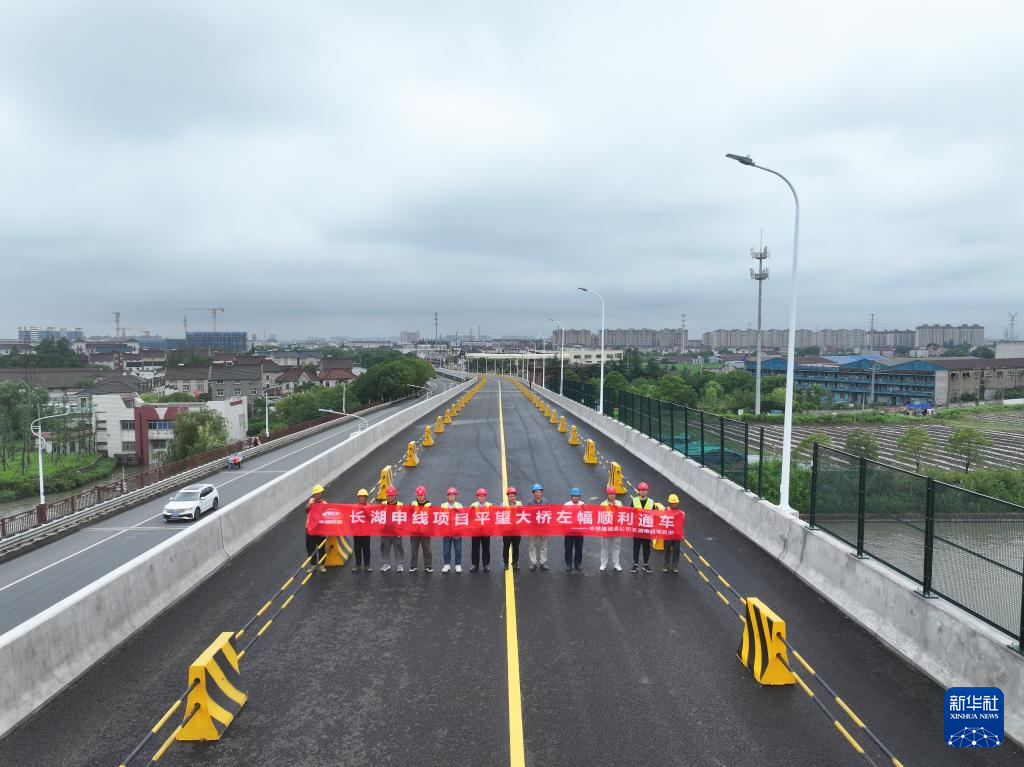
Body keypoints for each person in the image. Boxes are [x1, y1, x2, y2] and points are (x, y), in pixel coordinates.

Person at [379, 486, 405, 573]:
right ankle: (386, 563)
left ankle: (400, 564)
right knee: (384, 547)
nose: (390, 497)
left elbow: (404, 518)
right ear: (387, 496)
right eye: (389, 495)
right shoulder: (383, 504)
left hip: (396, 531)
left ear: (395, 495)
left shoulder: (400, 505)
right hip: (385, 531)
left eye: (392, 495)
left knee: (398, 547)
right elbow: (378, 515)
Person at [408, 485, 433, 573]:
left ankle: (428, 566)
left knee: (427, 550)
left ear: (424, 495)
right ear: (416, 495)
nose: (420, 497)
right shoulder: (412, 504)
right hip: (414, 531)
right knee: (414, 550)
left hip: (425, 531)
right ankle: (413, 566)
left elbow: (432, 517)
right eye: (418, 495)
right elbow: (408, 515)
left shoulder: (429, 504)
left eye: (421, 495)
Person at [631, 481, 655, 573]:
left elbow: (655, 515)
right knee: (636, 548)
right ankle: (635, 564)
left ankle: (645, 564)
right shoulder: (634, 501)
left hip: (647, 530)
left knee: (647, 548)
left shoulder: (651, 502)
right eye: (641, 490)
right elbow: (630, 513)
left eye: (645, 490)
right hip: (637, 529)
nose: (643, 491)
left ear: (647, 491)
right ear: (639, 491)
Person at [599, 486, 623, 572]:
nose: (612, 495)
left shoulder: (620, 503)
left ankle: (616, 563)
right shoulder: (603, 504)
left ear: (615, 494)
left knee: (616, 546)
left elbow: (624, 515)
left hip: (616, 529)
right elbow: (599, 516)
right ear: (607, 494)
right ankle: (603, 563)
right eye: (610, 494)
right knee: (604, 546)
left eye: (613, 494)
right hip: (606, 529)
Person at [441, 487, 463, 574]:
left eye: (453, 495)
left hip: (457, 531)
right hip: (446, 531)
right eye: (450, 495)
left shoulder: (459, 505)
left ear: (455, 496)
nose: (452, 497)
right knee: (446, 549)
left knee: (458, 549)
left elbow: (462, 517)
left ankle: (458, 564)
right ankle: (446, 564)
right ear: (447, 496)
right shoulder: (443, 505)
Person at [305, 484, 327, 574]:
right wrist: (310, 504)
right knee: (310, 547)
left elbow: (327, 516)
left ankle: (322, 565)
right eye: (316, 493)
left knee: (321, 547)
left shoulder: (324, 504)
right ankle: (313, 565)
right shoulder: (311, 501)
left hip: (320, 529)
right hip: (309, 528)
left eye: (319, 493)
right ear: (314, 494)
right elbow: (306, 510)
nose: (318, 495)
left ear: (321, 493)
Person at [470, 488, 492, 572]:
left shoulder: (490, 505)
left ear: (485, 497)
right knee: (475, 547)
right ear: (478, 497)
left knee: (486, 547)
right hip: (475, 529)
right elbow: (470, 516)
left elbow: (493, 516)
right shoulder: (473, 505)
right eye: (480, 496)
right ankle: (475, 564)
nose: (482, 498)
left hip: (486, 529)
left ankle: (486, 564)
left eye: (483, 496)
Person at [527, 483, 548, 571]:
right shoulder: (530, 503)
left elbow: (549, 514)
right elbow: (527, 515)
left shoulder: (546, 502)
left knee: (544, 546)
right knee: (532, 546)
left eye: (538, 491)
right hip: (533, 528)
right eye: (535, 492)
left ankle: (543, 562)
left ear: (541, 492)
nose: (537, 493)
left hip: (543, 528)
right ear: (533, 493)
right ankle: (533, 563)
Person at [661, 494, 685, 574]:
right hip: (667, 535)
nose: (674, 505)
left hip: (677, 535)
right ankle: (666, 565)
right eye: (673, 503)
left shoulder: (681, 513)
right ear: (669, 503)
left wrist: (682, 535)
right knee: (667, 550)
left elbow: (681, 525)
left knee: (676, 550)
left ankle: (675, 566)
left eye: (675, 503)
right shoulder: (665, 511)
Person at [563, 487, 585, 572]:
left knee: (579, 548)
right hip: (569, 531)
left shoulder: (582, 504)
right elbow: (563, 516)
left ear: (579, 496)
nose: (576, 498)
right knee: (568, 548)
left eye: (577, 496)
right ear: (571, 496)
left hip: (579, 530)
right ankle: (568, 564)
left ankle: (578, 563)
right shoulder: (566, 505)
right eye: (574, 496)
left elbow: (586, 515)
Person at [352, 488, 373, 573]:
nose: (361, 498)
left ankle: (367, 565)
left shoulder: (369, 507)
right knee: (357, 549)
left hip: (366, 533)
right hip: (356, 532)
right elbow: (350, 517)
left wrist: (366, 511)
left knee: (366, 549)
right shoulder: (354, 507)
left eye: (363, 497)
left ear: (366, 498)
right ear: (358, 498)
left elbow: (371, 518)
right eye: (360, 497)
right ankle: (358, 565)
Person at [502, 486, 522, 570]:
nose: (512, 498)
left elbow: (523, 515)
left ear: (515, 496)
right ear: (508, 497)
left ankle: (515, 562)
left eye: (513, 496)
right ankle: (505, 563)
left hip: (517, 530)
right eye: (510, 496)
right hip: (507, 530)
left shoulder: (519, 504)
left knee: (516, 547)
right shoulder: (503, 505)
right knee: (506, 547)